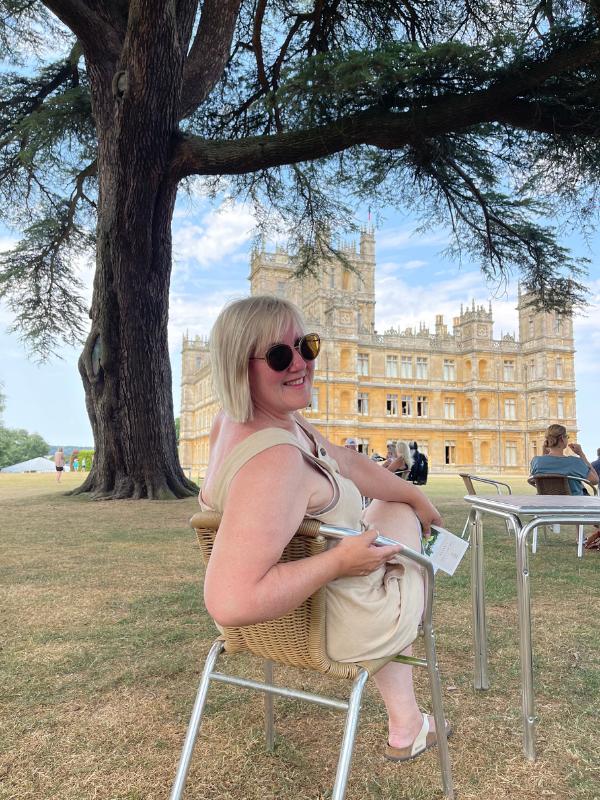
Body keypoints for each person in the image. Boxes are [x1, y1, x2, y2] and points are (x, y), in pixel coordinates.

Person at [199, 295, 448, 762]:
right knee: (403, 535)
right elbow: (230, 601)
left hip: (292, 620)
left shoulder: (242, 422)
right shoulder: (275, 460)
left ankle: (407, 723)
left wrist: (415, 494)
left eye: (306, 345)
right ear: (240, 365)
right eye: (278, 355)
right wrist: (339, 560)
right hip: (336, 622)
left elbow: (346, 460)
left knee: (397, 506)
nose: (300, 363)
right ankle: (409, 720)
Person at [529, 424, 598, 496]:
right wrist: (581, 454)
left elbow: (534, 480)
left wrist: (544, 453)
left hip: (548, 503)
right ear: (562, 438)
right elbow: (595, 480)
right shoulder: (575, 462)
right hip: (574, 504)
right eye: (567, 437)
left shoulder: (536, 461)